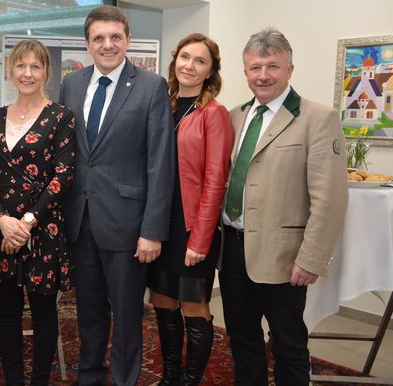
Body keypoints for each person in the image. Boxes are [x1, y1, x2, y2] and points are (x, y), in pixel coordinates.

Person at [219, 27, 348, 385]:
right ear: (245, 71)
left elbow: (330, 198)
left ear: (290, 70)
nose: (263, 75)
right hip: (232, 249)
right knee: (242, 337)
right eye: (255, 67)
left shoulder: (317, 118)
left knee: (288, 344)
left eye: (272, 66)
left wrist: (311, 258)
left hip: (284, 257)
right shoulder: (234, 116)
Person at [58, 5, 174, 386]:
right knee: (88, 310)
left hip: (128, 225)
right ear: (87, 44)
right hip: (80, 221)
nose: (107, 45)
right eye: (99, 38)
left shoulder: (151, 86)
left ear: (128, 40)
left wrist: (152, 230)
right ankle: (89, 375)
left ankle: (125, 378)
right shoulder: (71, 85)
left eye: (115, 37)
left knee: (126, 315)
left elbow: (160, 163)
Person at [0, 39, 75, 386]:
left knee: (44, 313)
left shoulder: (61, 117)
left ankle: (39, 381)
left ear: (46, 72)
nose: (27, 73)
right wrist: (3, 221)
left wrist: (26, 223)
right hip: (0, 230)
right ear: (10, 70)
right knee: (7, 314)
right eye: (20, 65)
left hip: (42, 231)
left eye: (35, 66)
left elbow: (63, 177)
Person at [147, 34, 233, 386]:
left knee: (193, 306)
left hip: (192, 227)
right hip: (158, 223)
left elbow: (215, 180)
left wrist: (200, 239)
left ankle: (190, 380)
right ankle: (170, 377)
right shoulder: (160, 105)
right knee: (162, 302)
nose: (190, 66)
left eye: (200, 61)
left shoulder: (214, 114)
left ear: (210, 72)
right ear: (175, 61)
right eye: (185, 57)